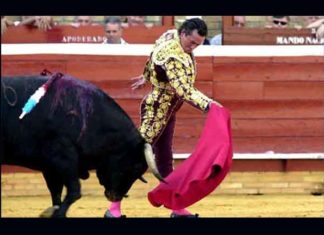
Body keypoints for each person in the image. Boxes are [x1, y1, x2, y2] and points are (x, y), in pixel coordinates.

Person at [105, 17, 222, 218]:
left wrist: (148, 76)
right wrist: (208, 105)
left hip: (168, 110)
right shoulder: (173, 56)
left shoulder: (170, 35)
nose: (193, 48)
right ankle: (113, 208)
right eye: (191, 42)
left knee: (165, 160)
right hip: (156, 110)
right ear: (183, 33)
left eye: (198, 45)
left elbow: (152, 58)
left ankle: (176, 207)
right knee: (138, 158)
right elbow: (184, 90)